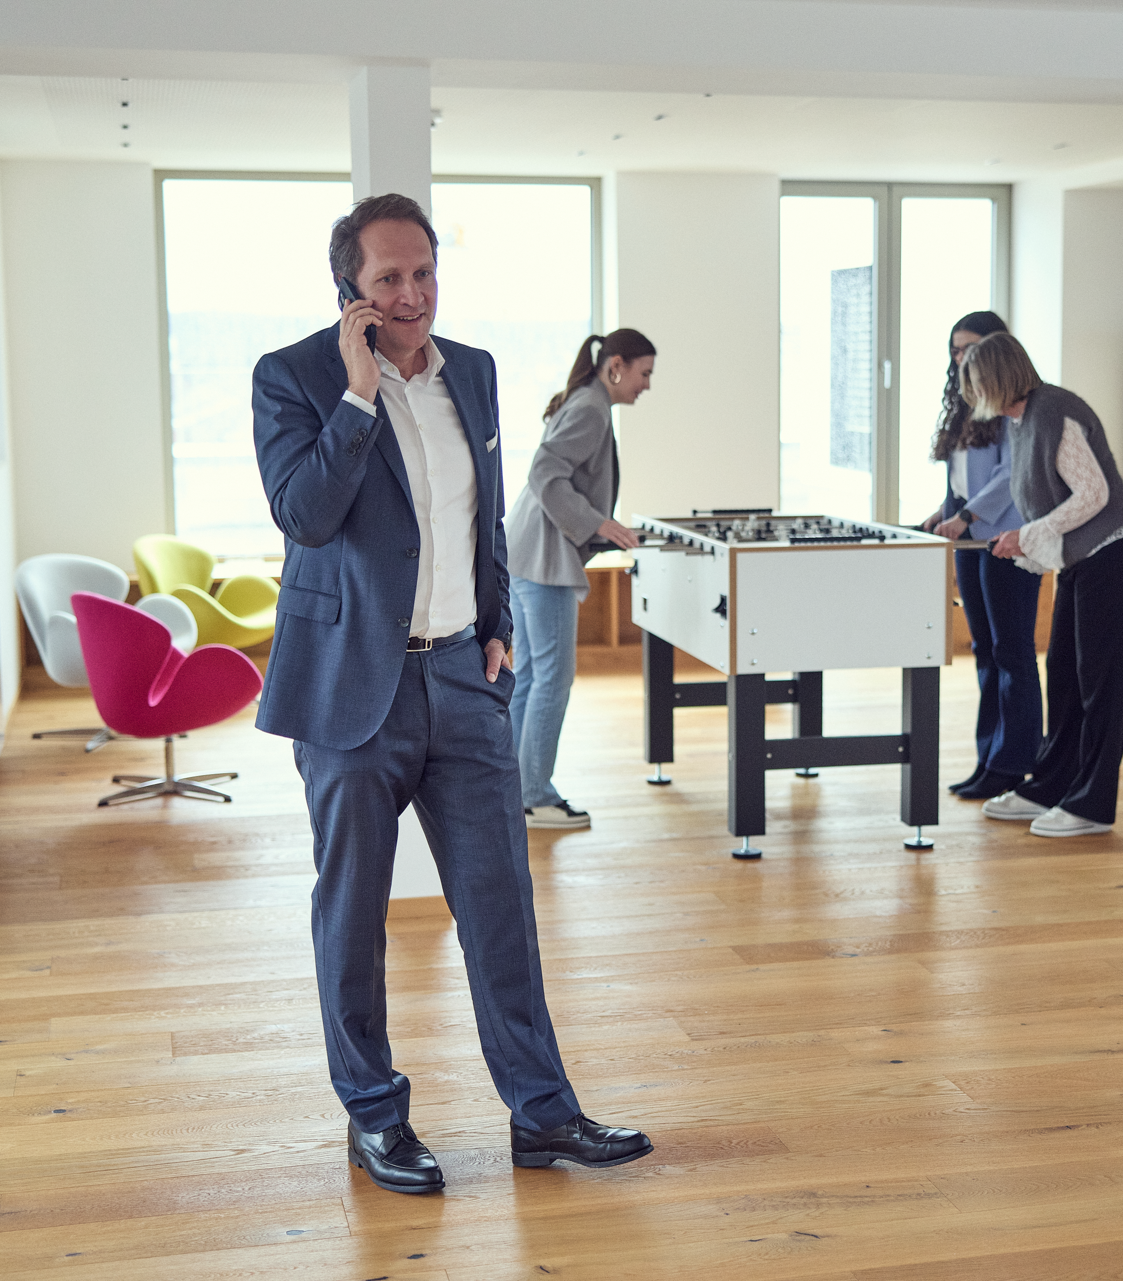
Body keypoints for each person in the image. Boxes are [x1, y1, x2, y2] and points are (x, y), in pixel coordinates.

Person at [249, 193, 651, 1195]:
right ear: (348, 289)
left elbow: (483, 520)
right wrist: (357, 399)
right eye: (388, 277)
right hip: (354, 691)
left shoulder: (472, 370)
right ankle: (375, 1116)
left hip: (465, 678)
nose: (413, 293)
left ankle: (542, 1113)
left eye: (423, 271)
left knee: (501, 903)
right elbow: (306, 515)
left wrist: (500, 624)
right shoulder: (291, 378)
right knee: (354, 914)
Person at [958, 332, 1123, 838]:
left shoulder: (1054, 411)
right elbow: (1053, 505)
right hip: (1083, 559)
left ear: (997, 376)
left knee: (1100, 683)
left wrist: (1027, 536)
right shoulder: (1020, 421)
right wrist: (1025, 543)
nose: (972, 393)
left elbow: (1093, 495)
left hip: (1114, 553)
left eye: (976, 381)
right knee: (1063, 675)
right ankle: (1050, 786)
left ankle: (1092, 805)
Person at [505, 330, 657, 830]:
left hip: (524, 552)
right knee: (552, 678)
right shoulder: (592, 408)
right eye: (644, 373)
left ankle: (514, 790)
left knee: (532, 676)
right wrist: (597, 523)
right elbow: (544, 472)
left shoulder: (588, 401)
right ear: (616, 366)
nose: (646, 385)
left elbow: (556, 478)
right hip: (543, 560)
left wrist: (600, 527)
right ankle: (535, 796)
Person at [919, 311, 1042, 801]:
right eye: (955, 350)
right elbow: (962, 472)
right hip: (971, 537)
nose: (961, 358)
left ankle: (1014, 762)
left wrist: (967, 515)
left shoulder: (1015, 401)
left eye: (969, 348)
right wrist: (947, 510)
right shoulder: (965, 400)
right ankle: (990, 757)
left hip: (1007, 538)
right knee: (985, 649)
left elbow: (1012, 474)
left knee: (1012, 651)